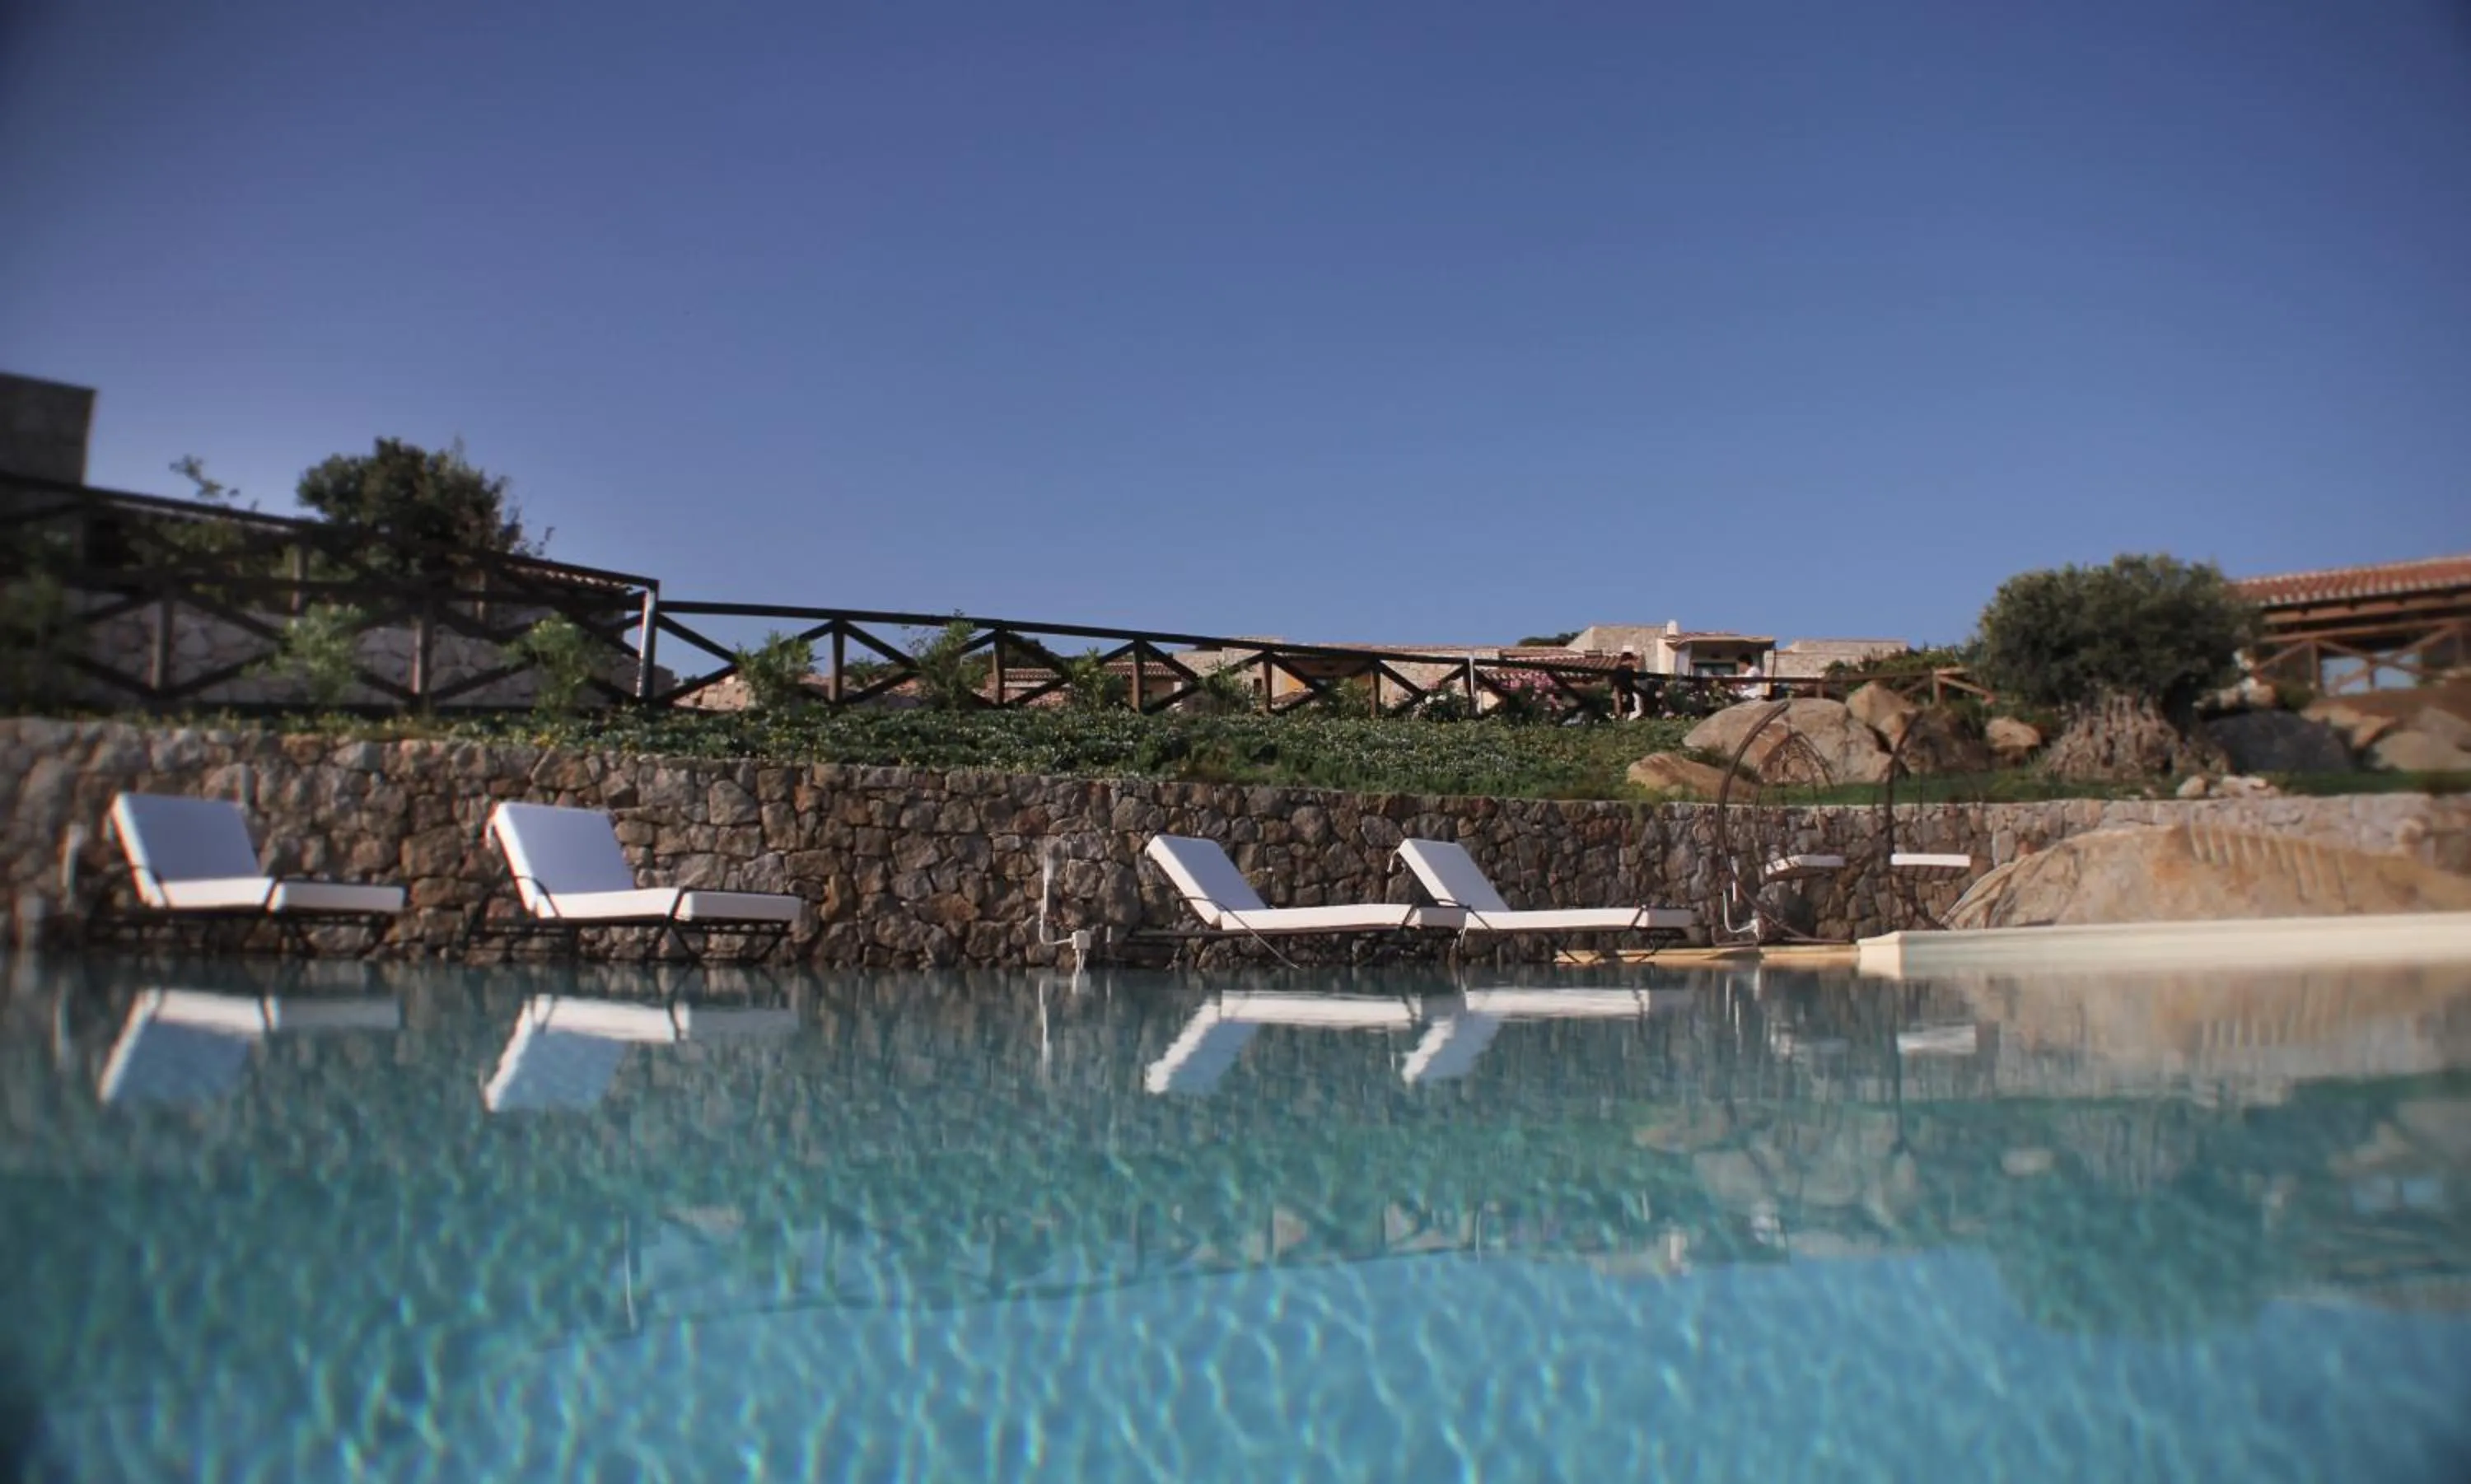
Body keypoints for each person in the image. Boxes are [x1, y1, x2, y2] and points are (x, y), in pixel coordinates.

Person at [1612, 650, 1642, 721]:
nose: (1636, 663)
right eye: (1634, 660)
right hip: (1624, 694)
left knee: (1623, 712)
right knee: (1625, 711)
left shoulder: (1617, 670)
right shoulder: (1626, 671)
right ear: (1629, 660)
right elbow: (1630, 684)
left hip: (1622, 694)